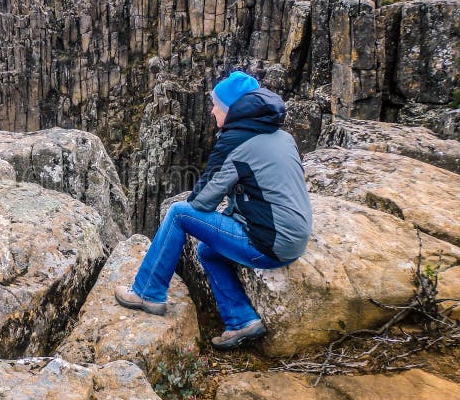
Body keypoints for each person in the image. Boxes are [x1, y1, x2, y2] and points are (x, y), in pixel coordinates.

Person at [115, 71, 312, 349]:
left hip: (268, 244)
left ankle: (147, 292)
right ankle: (241, 320)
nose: (211, 110)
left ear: (232, 111)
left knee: (178, 213)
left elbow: (201, 202)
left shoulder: (236, 142)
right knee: (207, 251)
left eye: (216, 106)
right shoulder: (281, 135)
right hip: (294, 239)